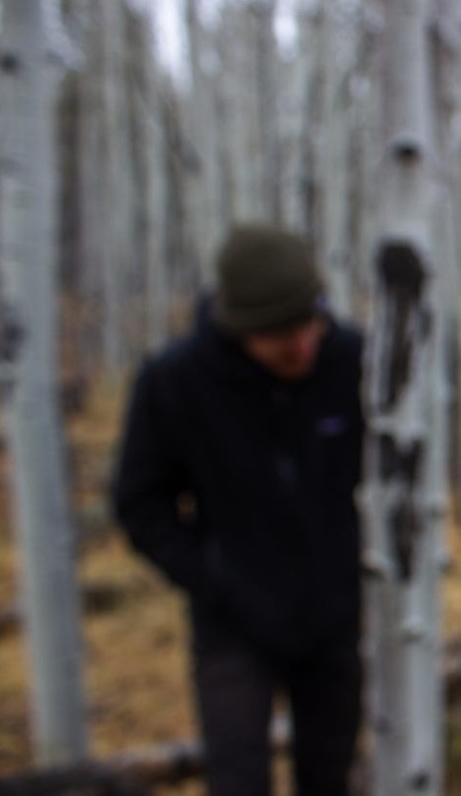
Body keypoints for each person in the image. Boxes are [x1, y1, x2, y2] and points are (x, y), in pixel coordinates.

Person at [113, 226, 365, 796]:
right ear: (239, 329)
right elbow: (140, 502)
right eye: (280, 336)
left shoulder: (352, 360)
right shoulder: (175, 381)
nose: (302, 344)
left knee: (331, 776)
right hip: (232, 625)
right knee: (237, 779)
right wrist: (213, 576)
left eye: (310, 323)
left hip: (334, 618)